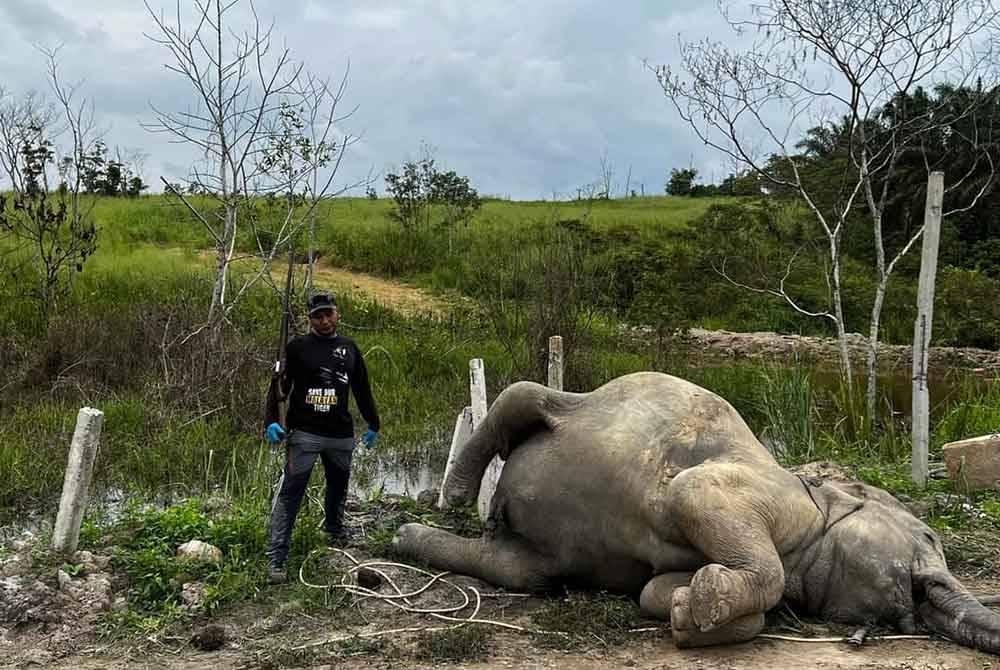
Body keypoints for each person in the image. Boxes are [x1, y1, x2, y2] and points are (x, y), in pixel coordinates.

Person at [263, 291, 380, 584]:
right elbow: (278, 388)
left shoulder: (350, 348)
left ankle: (334, 530)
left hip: (340, 434)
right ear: (310, 319)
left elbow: (362, 390)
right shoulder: (297, 348)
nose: (325, 320)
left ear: (337, 313)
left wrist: (373, 424)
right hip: (304, 433)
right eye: (318, 316)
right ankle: (277, 557)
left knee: (338, 486)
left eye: (329, 314)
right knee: (291, 494)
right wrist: (271, 422)